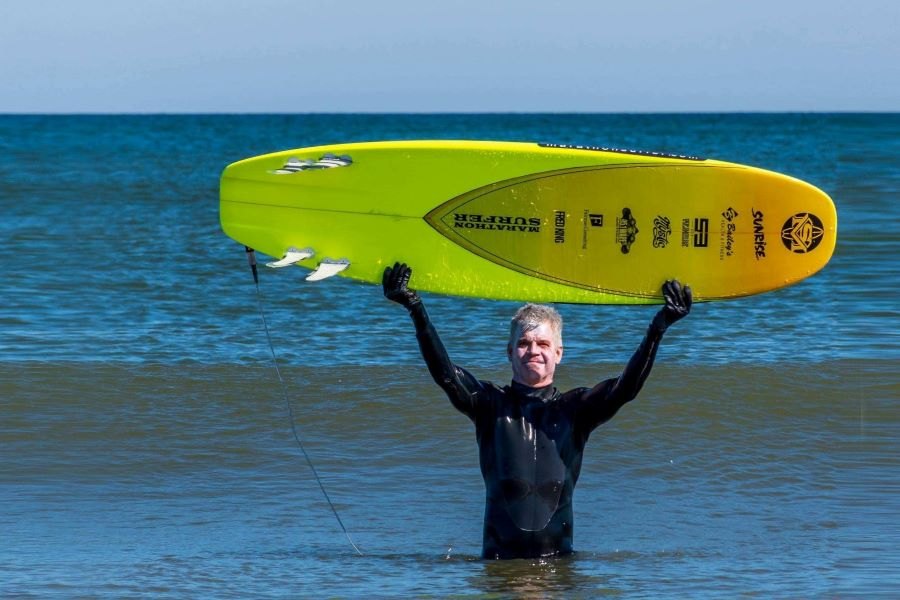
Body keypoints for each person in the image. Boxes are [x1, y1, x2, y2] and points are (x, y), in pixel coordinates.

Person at [382, 262, 692, 560]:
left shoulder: (576, 410)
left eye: (543, 343)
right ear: (509, 351)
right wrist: (415, 308)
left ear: (559, 352)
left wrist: (658, 328)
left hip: (558, 568)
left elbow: (625, 389)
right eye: (524, 343)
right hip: (499, 567)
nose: (533, 350)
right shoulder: (489, 405)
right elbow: (446, 374)